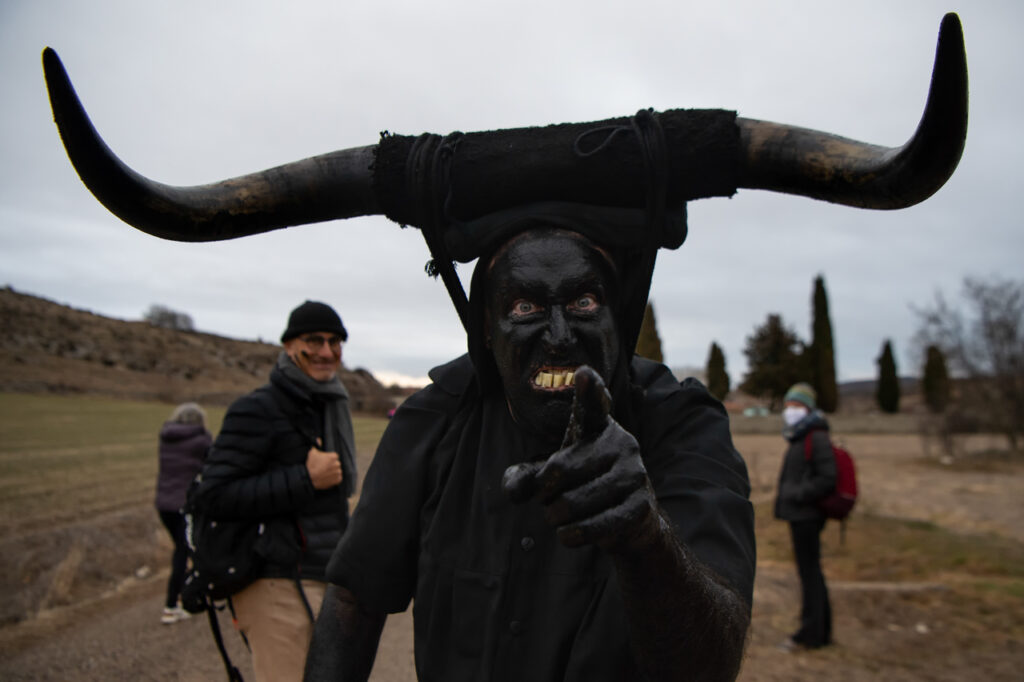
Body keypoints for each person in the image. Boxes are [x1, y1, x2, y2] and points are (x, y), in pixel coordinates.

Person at [305, 217, 756, 682]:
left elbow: (713, 663)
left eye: (583, 302)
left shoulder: (680, 424)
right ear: (486, 327)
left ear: (617, 317)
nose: (560, 337)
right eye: (525, 307)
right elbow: (353, 598)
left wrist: (648, 539)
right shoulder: (435, 419)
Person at [194, 300, 357, 682]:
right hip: (275, 583)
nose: (326, 351)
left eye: (335, 342)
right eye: (314, 341)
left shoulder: (329, 407)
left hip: (323, 577)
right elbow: (213, 495)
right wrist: (304, 480)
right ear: (288, 345)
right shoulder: (258, 409)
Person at [773, 382, 837, 651]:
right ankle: (820, 631)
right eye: (788, 405)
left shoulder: (816, 437)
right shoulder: (800, 435)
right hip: (800, 515)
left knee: (810, 573)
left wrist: (798, 495)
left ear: (808, 408)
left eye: (796, 405)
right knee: (811, 572)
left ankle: (811, 634)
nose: (790, 410)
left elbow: (828, 477)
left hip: (807, 516)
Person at [155, 401, 212, 625]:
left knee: (182, 549)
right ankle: (174, 604)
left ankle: (184, 596)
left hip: (163, 505)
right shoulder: (202, 441)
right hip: (185, 505)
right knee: (184, 551)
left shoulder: (166, 438)